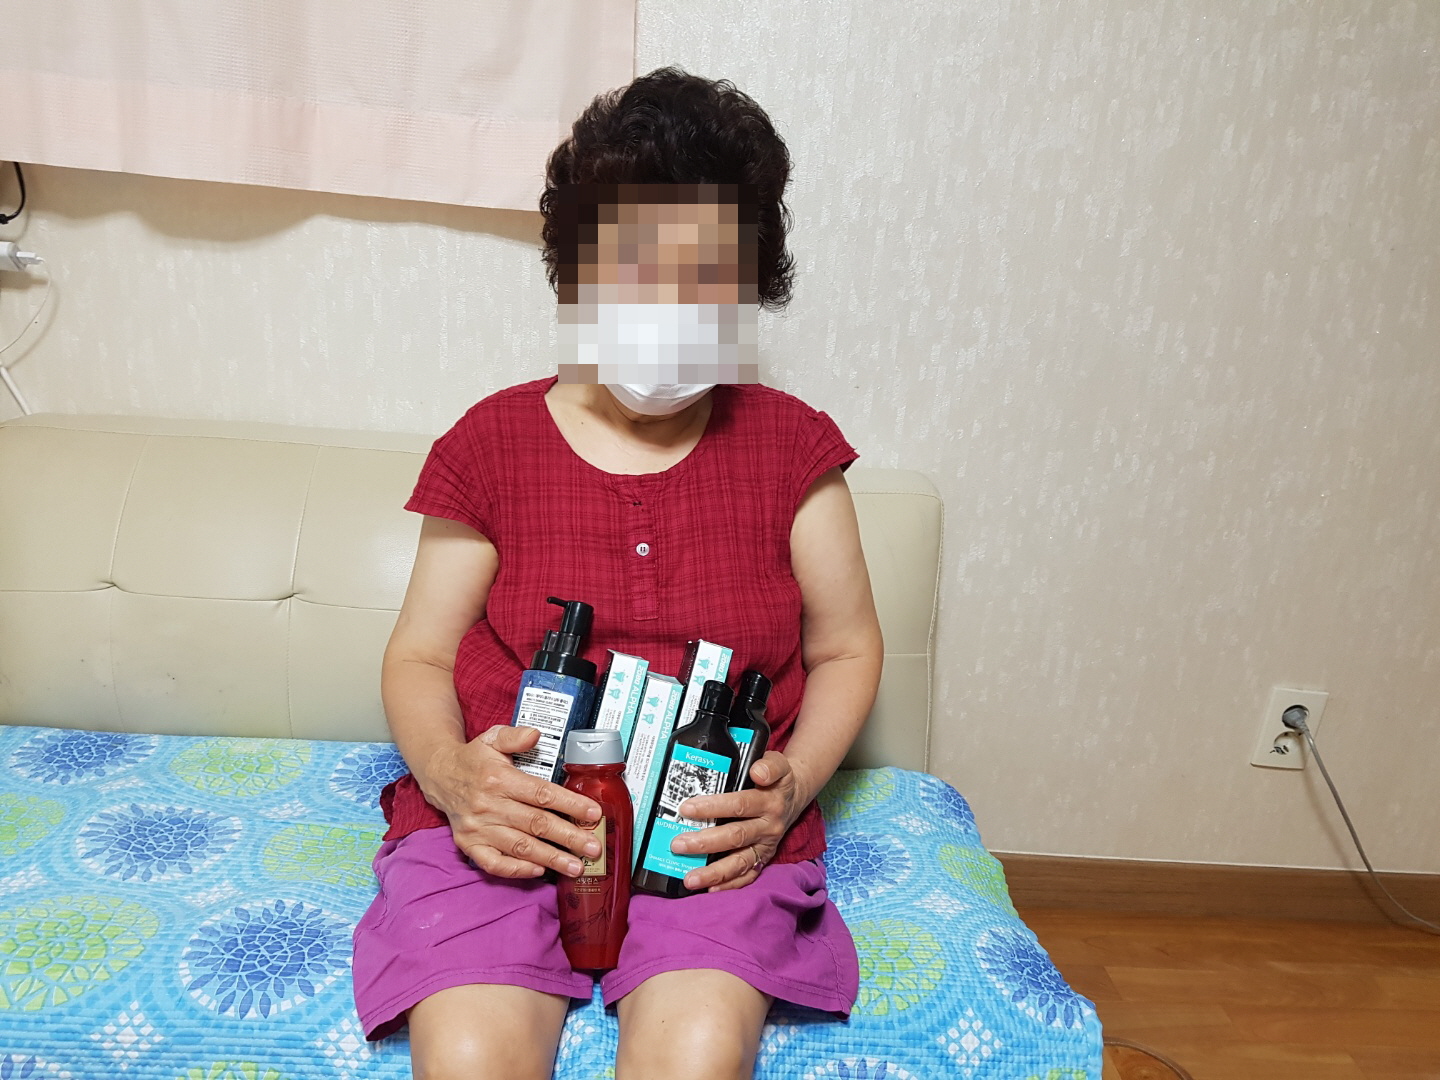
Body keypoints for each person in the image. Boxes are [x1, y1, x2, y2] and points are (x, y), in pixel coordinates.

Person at [351, 67, 884, 1080]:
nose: (671, 307)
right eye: (636, 269)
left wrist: (789, 794)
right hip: (515, 830)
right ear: (578, 274)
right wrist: (454, 779)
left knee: (697, 1055)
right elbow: (418, 655)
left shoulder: (794, 450)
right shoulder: (489, 444)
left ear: (749, 285)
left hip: (705, 840)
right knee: (467, 1059)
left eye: (707, 276)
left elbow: (849, 648)